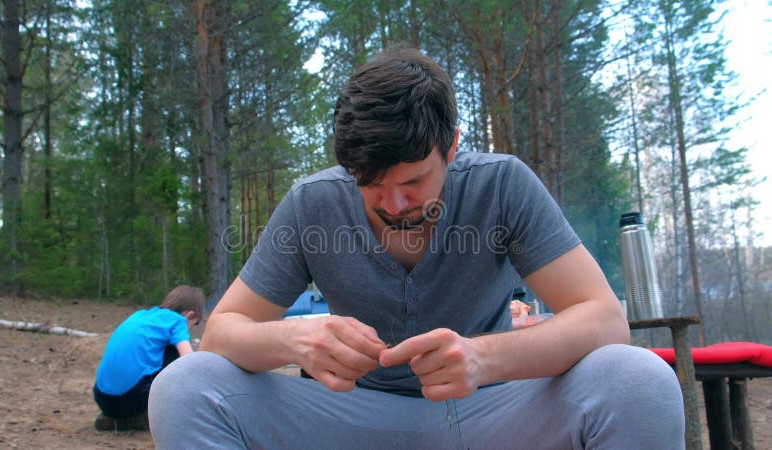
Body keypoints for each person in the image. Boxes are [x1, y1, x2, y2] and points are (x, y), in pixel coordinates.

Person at [149, 47, 684, 449]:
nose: (394, 202)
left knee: (638, 380)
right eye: (370, 183)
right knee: (186, 385)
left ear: (451, 145)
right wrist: (297, 339)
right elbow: (221, 333)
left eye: (414, 181)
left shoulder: (502, 186)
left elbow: (603, 319)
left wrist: (480, 358)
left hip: (492, 411)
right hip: (353, 418)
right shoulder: (313, 204)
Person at [93, 285, 204, 431]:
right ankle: (148, 419)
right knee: (176, 356)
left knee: (160, 352)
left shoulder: (140, 315)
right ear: (189, 315)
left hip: (102, 397)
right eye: (193, 324)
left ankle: (119, 418)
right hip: (127, 400)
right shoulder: (178, 321)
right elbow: (190, 362)